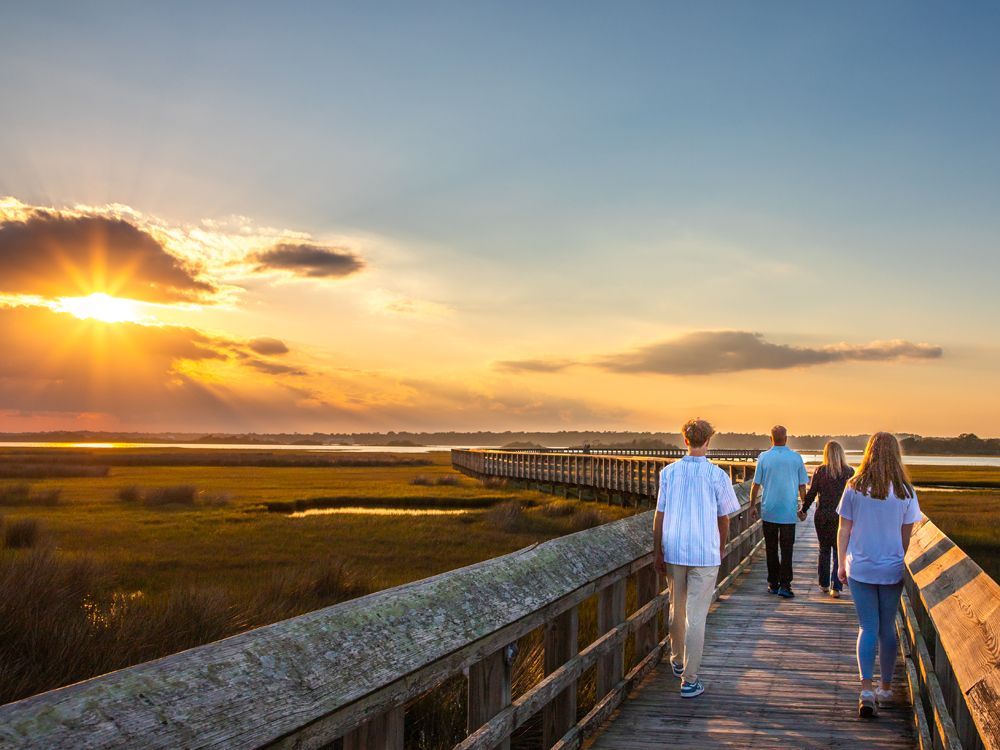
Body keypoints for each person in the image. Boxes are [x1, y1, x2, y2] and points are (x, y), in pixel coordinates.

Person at [653, 418, 741, 699]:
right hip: (705, 552)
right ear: (708, 441)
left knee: (676, 607)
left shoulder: (669, 473)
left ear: (685, 440)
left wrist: (658, 551)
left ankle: (677, 661)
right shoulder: (717, 475)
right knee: (696, 616)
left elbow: (660, 515)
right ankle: (690, 680)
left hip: (675, 549)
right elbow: (724, 518)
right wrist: (721, 546)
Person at [836, 432, 922, 719]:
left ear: (869, 453)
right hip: (891, 568)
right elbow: (906, 537)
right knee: (887, 628)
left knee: (867, 627)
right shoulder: (906, 492)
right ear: (896, 455)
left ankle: (866, 689)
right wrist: (895, 557)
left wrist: (841, 565)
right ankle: (886, 689)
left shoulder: (853, 487)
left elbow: (844, 529)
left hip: (860, 567)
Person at [749, 425, 808, 598]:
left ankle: (772, 583)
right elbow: (802, 485)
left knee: (771, 549)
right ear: (786, 438)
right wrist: (803, 506)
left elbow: (755, 484)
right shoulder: (796, 458)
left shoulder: (764, 458)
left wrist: (753, 505)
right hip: (788, 512)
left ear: (771, 438)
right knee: (787, 549)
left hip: (769, 510)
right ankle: (785, 585)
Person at [802, 441, 854, 598]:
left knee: (824, 549)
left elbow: (812, 493)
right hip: (842, 517)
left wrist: (803, 510)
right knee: (840, 551)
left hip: (823, 516)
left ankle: (824, 584)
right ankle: (836, 588)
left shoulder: (820, 471)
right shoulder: (850, 472)